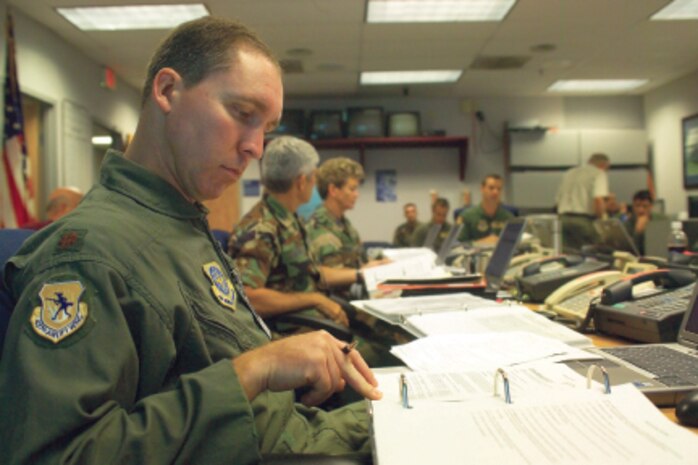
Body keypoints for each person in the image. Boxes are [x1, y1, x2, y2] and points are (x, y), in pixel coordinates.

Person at [0, 17, 382, 465]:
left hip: (296, 426)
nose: (256, 147)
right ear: (166, 92)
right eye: (242, 114)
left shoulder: (177, 223)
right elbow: (58, 455)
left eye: (267, 127)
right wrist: (255, 368)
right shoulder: (91, 254)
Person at [228, 136, 402, 367]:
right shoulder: (261, 228)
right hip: (292, 335)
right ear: (301, 182)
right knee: (387, 355)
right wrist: (314, 298)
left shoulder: (288, 218)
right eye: (314, 177)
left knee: (393, 335)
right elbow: (249, 297)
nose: (315, 185)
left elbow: (307, 274)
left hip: (315, 321)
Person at [306, 157, 386, 270]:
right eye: (352, 189)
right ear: (333, 190)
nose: (356, 194)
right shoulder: (319, 227)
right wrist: (364, 271)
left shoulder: (344, 224)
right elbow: (331, 274)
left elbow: (359, 261)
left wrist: (381, 263)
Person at [555, 153, 611, 251]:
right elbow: (598, 199)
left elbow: (557, 200)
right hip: (583, 221)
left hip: (562, 220)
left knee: (568, 255)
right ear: (604, 165)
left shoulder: (569, 173)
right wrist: (602, 220)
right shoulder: (599, 173)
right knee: (594, 254)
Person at [457, 174, 513, 246]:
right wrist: (480, 243)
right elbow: (456, 246)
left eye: (499, 189)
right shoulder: (467, 216)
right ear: (482, 189)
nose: (495, 192)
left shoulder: (508, 218)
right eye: (491, 188)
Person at [623, 189, 666, 255]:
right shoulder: (628, 223)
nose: (641, 210)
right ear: (633, 207)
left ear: (651, 206)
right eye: (637, 206)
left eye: (645, 206)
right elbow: (630, 252)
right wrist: (638, 232)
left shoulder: (660, 221)